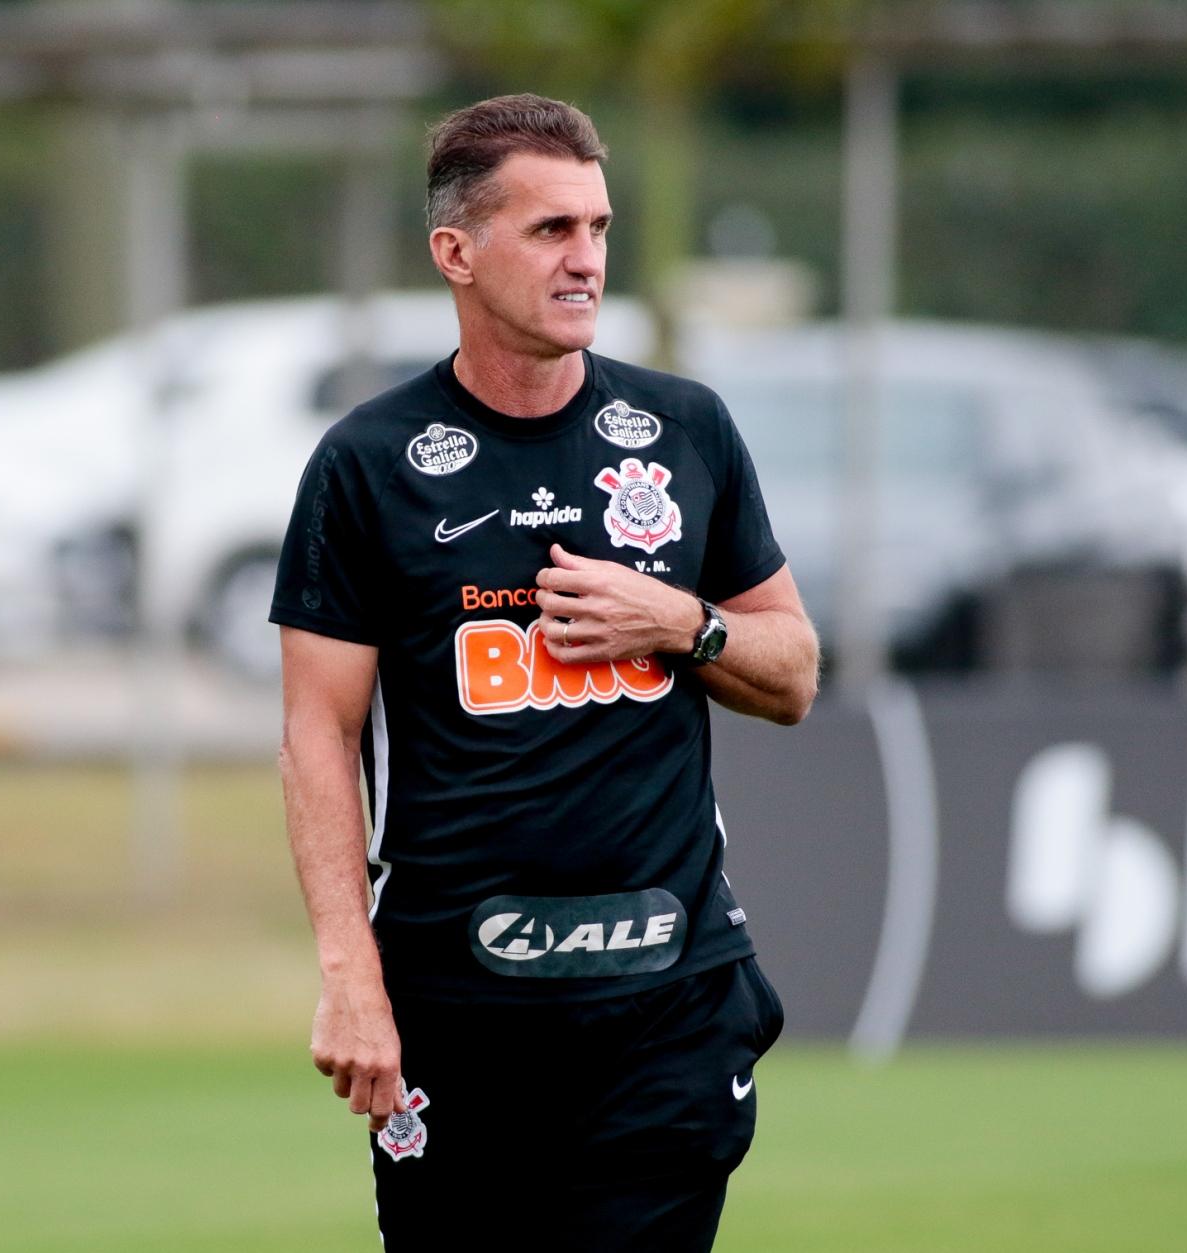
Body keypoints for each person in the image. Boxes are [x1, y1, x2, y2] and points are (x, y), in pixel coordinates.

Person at [269, 93, 819, 1250]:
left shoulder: (685, 430)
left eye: (599, 229)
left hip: (668, 995)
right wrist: (349, 974)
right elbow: (318, 733)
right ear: (456, 253)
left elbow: (795, 670)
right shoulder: (368, 463)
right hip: (458, 1007)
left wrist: (681, 621)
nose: (586, 261)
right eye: (551, 230)